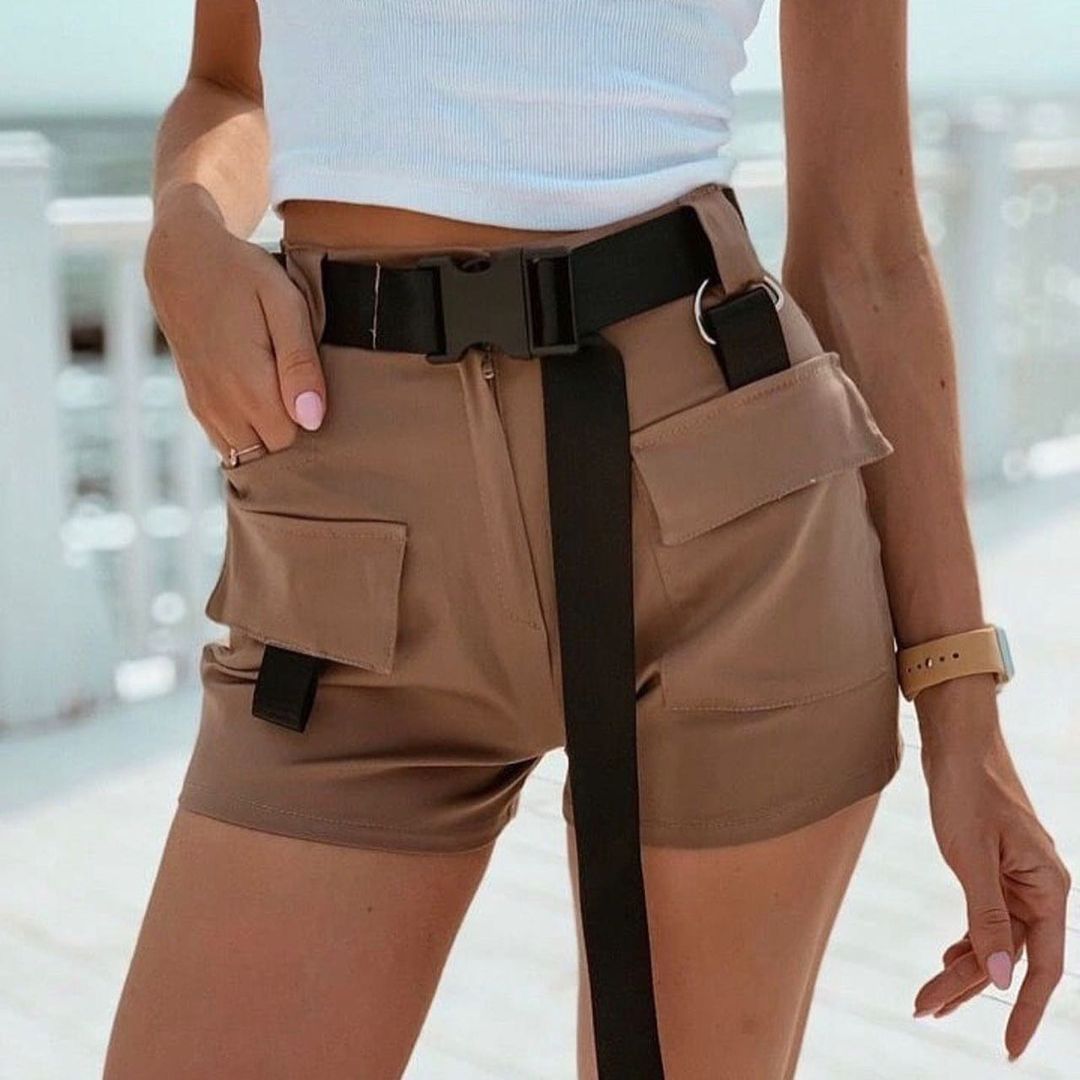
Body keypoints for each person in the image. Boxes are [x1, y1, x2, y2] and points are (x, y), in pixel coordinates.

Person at [104, 2, 1070, 1077]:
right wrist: (184, 223)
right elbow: (231, 86)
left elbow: (865, 248)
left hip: (729, 540)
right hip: (350, 551)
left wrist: (961, 709)